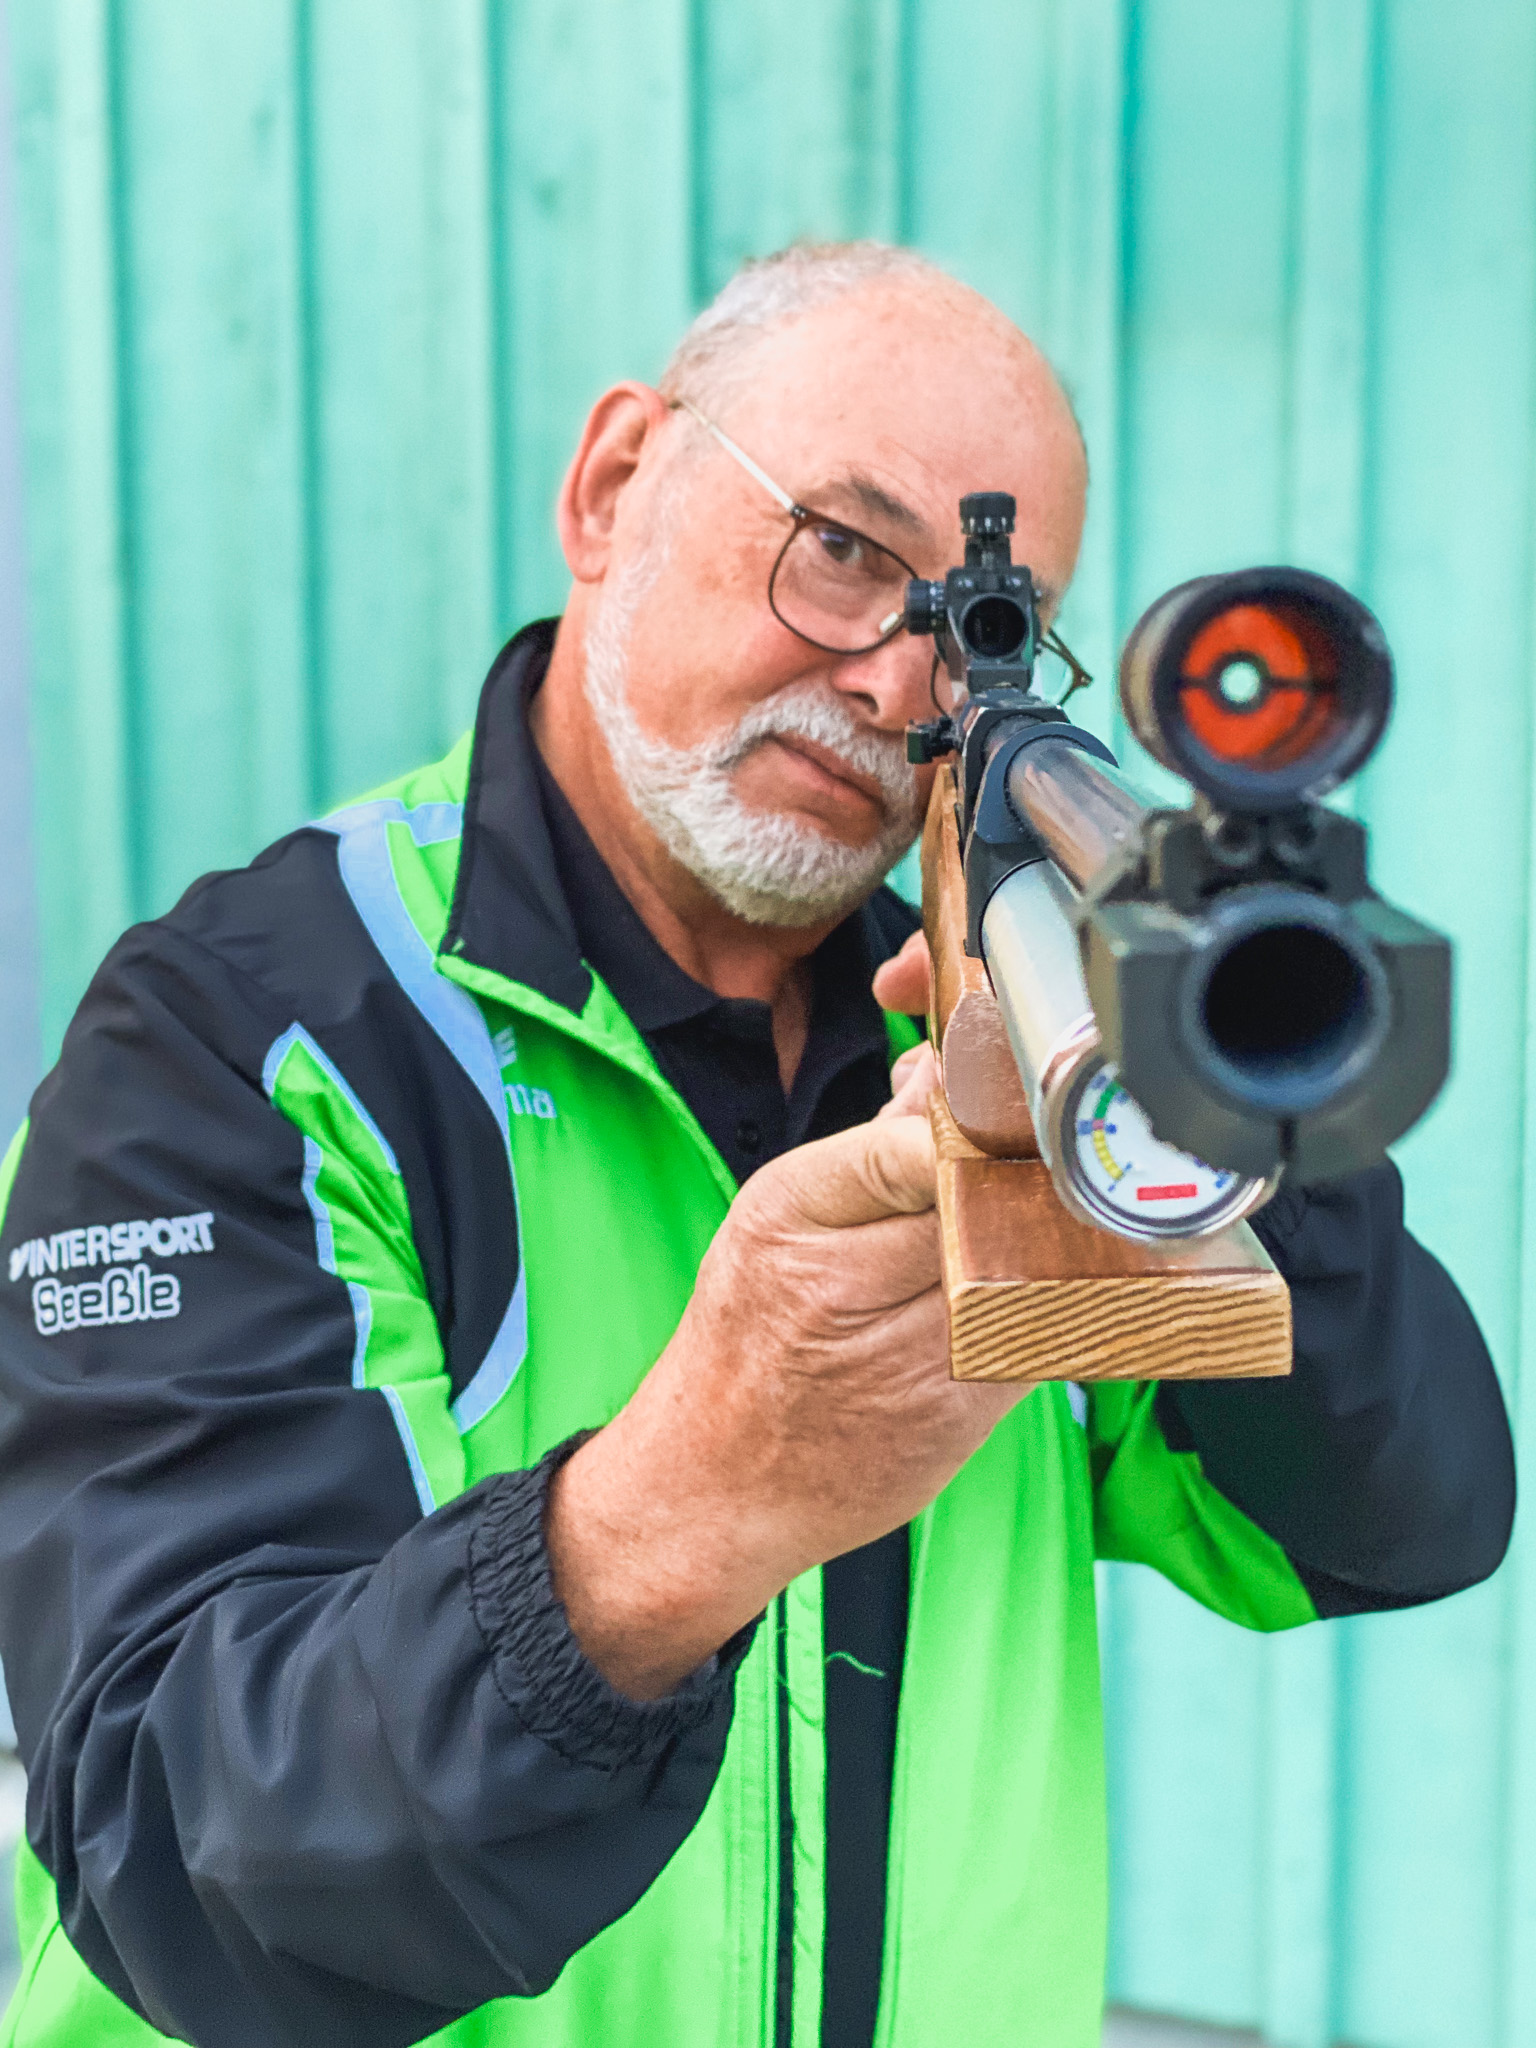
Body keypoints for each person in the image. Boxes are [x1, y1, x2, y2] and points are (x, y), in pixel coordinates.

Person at [0, 241, 1513, 2048]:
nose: (892, 684)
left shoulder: (1005, 1037)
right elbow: (176, 1857)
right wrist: (685, 1508)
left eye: (988, 630)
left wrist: (1215, 1061)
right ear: (613, 483)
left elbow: (1388, 1520)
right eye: (847, 550)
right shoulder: (243, 1030)